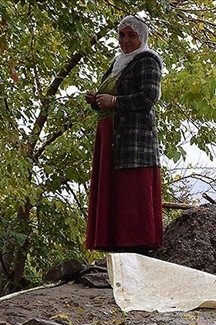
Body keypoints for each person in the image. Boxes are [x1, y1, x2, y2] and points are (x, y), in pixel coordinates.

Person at [84, 15, 164, 254]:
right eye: (122, 34)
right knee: (113, 190)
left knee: (132, 190)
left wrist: (115, 101)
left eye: (131, 35)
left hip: (133, 140)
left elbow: (148, 97)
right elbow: (108, 100)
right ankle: (115, 246)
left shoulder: (147, 60)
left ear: (142, 37)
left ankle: (137, 248)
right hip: (112, 137)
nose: (126, 40)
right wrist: (96, 100)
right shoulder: (119, 62)